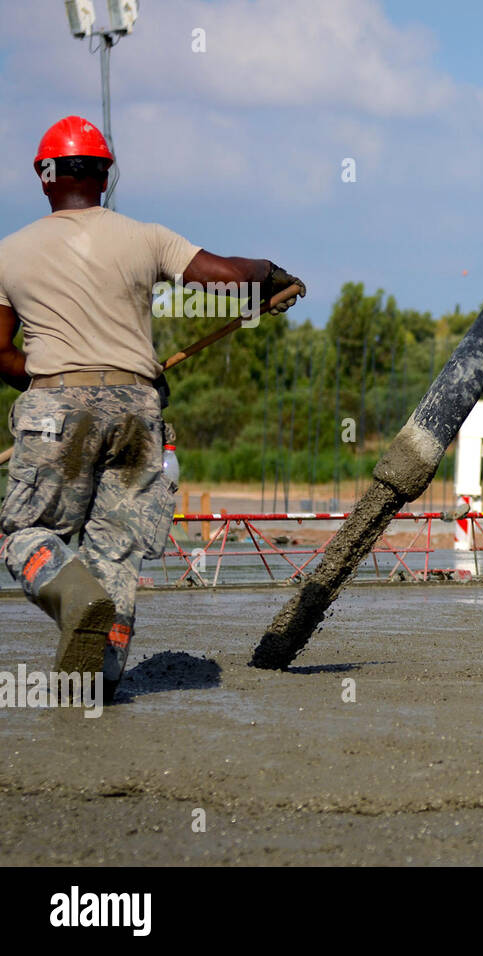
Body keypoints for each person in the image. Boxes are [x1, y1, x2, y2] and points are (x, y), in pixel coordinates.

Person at [0, 116, 304, 702]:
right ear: (105, 177)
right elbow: (221, 278)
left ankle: (73, 597)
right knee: (116, 547)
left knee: (25, 532)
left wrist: (47, 388)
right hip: (139, 408)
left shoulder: (9, 254)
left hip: (55, 404)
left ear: (44, 178)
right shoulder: (146, 237)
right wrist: (267, 276)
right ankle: (97, 677)